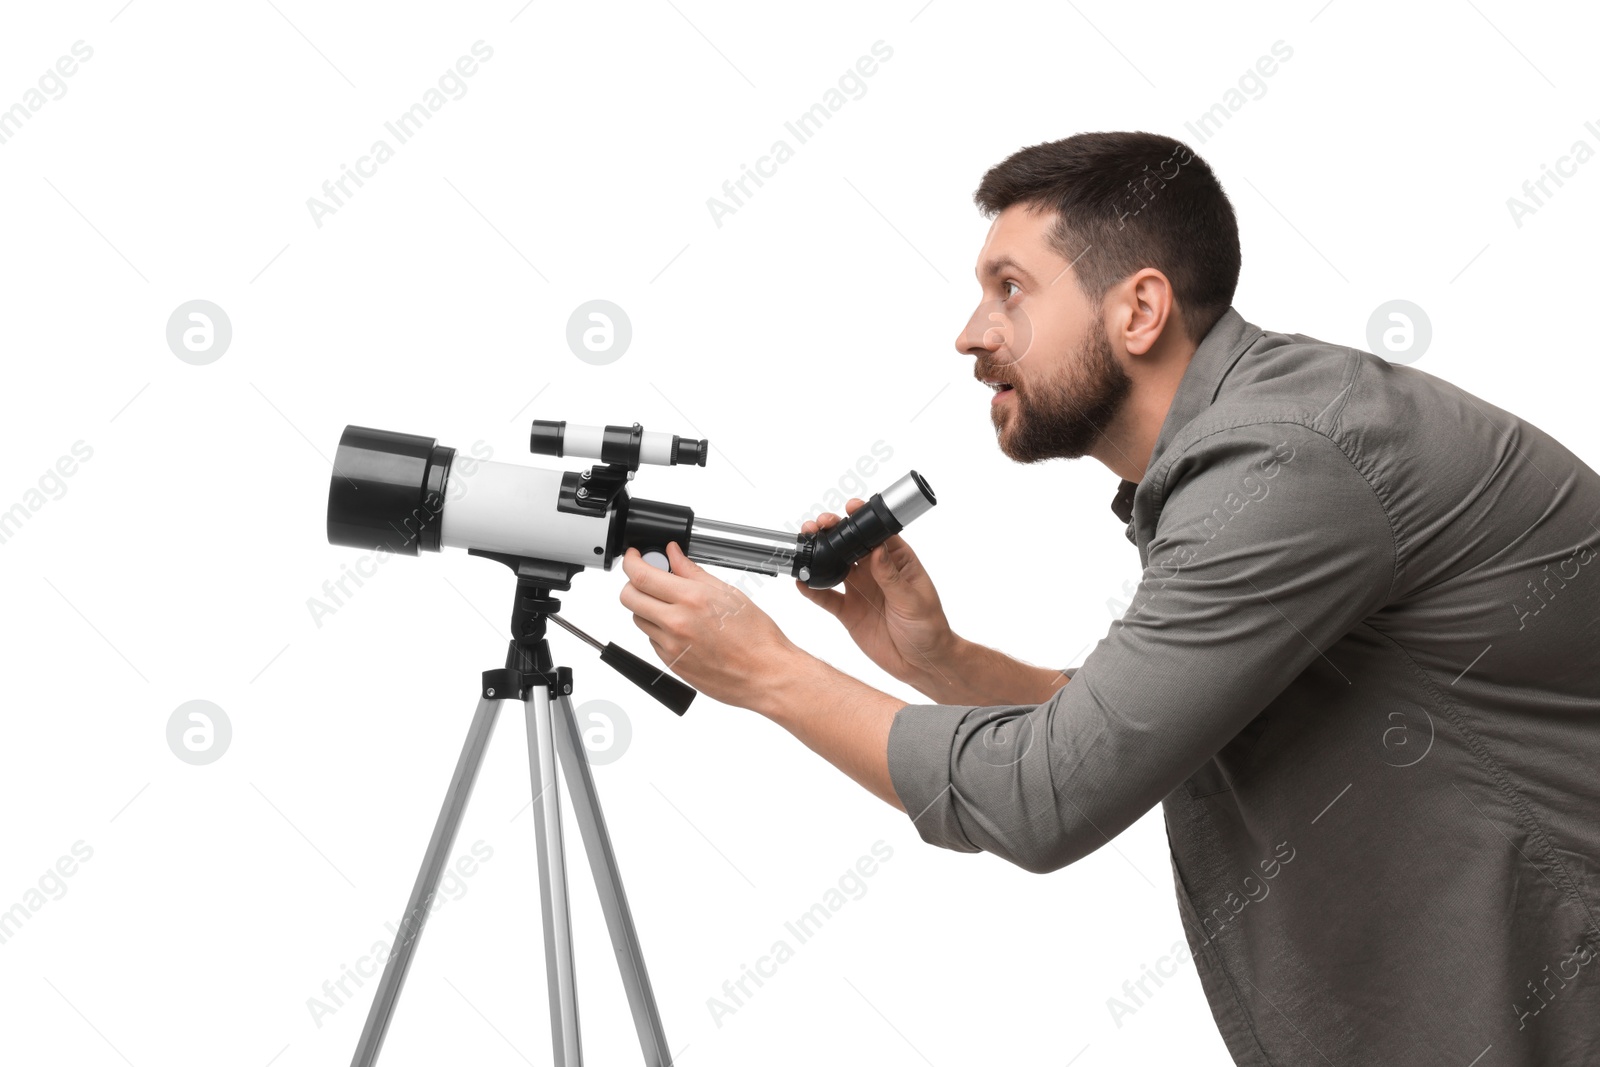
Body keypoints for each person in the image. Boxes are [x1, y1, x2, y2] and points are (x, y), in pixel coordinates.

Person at [618, 131, 1600, 1065]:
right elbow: (1136, 722)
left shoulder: (1288, 460)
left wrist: (766, 672)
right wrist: (936, 657)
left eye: (1010, 290)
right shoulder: (1265, 435)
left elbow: (1045, 797)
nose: (970, 335)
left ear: (1138, 310)